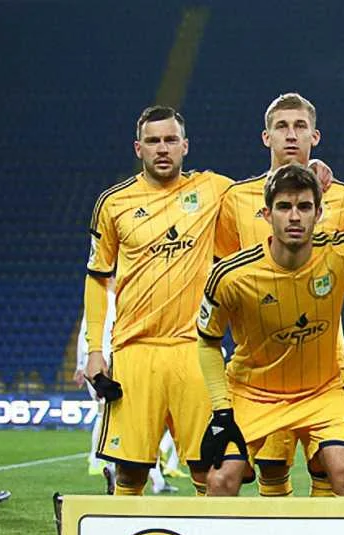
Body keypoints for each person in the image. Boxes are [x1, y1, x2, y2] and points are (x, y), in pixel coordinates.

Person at [198, 165, 344, 496]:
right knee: (220, 480)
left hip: (321, 392)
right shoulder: (231, 275)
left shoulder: (340, 252)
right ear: (267, 214)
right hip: (251, 393)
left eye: (304, 207)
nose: (294, 217)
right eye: (284, 207)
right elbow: (207, 342)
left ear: (319, 213)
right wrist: (222, 409)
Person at [213, 92, 344, 498]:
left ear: (315, 135)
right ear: (266, 137)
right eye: (281, 126)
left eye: (300, 126)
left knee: (328, 468)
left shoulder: (343, 198)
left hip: (324, 357)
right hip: (261, 361)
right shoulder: (236, 198)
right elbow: (226, 273)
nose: (291, 135)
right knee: (272, 468)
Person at [83, 106, 233, 496]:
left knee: (209, 472)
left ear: (185, 146)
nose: (162, 148)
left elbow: (267, 191)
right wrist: (95, 351)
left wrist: (309, 168)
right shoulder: (114, 202)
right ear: (139, 148)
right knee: (130, 474)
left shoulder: (213, 189)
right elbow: (97, 277)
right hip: (135, 352)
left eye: (170, 140)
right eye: (153, 141)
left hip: (194, 350)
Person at [74, 281, 180, 493]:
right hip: (109, 363)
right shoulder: (106, 300)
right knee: (117, 414)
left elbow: (86, 333)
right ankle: (104, 462)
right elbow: (87, 334)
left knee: (123, 416)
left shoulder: (116, 299)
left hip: (117, 361)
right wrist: (86, 362)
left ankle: (108, 463)